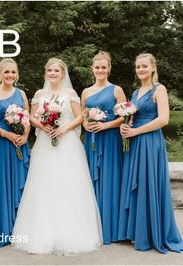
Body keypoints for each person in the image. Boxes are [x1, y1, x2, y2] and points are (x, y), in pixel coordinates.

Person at [12, 58, 102, 254]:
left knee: (68, 183)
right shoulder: (39, 94)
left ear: (63, 74)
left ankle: (71, 232)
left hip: (67, 142)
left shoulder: (70, 93)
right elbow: (32, 117)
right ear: (46, 73)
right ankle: (42, 231)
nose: (53, 73)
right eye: (50, 70)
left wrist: (64, 128)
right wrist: (42, 125)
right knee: (44, 183)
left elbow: (80, 116)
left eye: (56, 71)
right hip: (46, 142)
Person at [118, 53, 183, 253]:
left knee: (149, 183)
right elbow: (133, 116)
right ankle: (138, 232)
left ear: (153, 68)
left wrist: (135, 131)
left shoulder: (160, 89)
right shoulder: (135, 93)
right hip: (135, 141)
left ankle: (152, 234)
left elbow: (163, 119)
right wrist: (126, 127)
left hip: (150, 141)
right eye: (138, 67)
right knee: (139, 184)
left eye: (144, 66)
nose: (140, 70)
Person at [0, 58, 30, 246]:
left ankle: (19, 227)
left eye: (13, 72)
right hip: (0, 145)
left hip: (19, 143)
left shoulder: (22, 93)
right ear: (0, 74)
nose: (10, 75)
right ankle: (1, 228)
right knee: (1, 183)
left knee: (20, 182)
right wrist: (6, 134)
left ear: (17, 74)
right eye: (6, 72)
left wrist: (25, 136)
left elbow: (27, 118)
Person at [82, 51, 126, 244]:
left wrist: (105, 125)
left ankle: (111, 228)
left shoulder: (117, 90)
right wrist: (85, 125)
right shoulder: (86, 92)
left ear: (109, 69)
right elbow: (83, 115)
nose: (100, 70)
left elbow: (125, 116)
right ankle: (92, 227)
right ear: (92, 69)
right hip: (91, 140)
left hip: (109, 139)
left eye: (103, 67)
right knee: (90, 179)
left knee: (110, 178)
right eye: (97, 67)